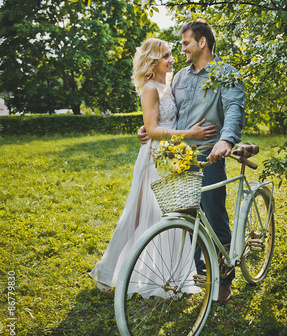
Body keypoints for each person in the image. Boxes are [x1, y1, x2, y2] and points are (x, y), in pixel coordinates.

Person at [89, 37, 217, 294]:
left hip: (171, 156)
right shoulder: (150, 88)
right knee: (137, 214)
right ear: (153, 61)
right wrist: (187, 133)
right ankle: (106, 270)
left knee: (168, 215)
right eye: (167, 56)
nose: (172, 59)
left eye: (171, 54)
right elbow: (153, 129)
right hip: (153, 157)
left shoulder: (167, 85)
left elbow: (160, 121)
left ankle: (168, 275)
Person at [138, 20, 245, 302]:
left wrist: (226, 139)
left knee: (213, 215)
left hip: (210, 155)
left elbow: (234, 107)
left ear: (202, 42)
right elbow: (168, 110)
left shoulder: (226, 73)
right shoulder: (182, 77)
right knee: (186, 215)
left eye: (185, 42)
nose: (181, 48)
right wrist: (147, 127)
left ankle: (223, 280)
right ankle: (197, 269)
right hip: (179, 158)